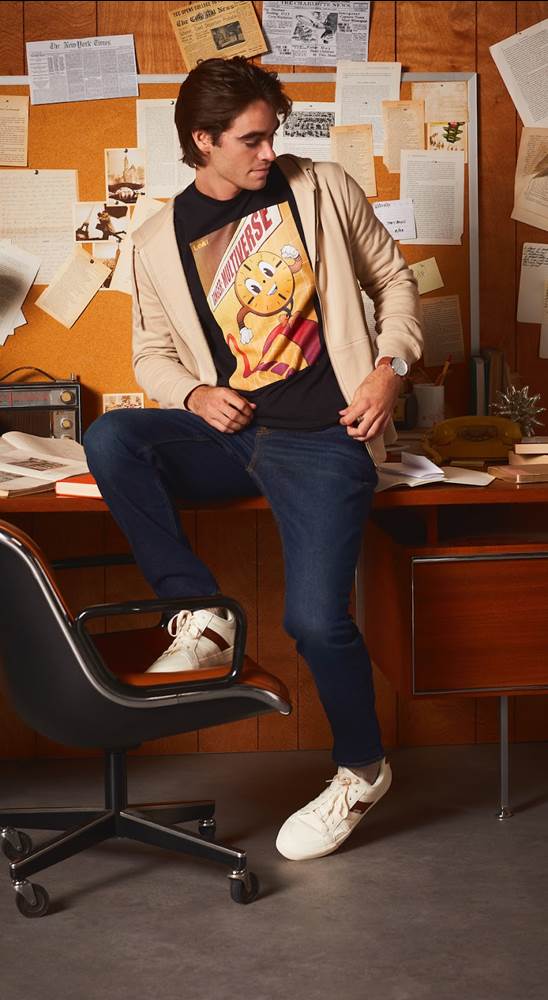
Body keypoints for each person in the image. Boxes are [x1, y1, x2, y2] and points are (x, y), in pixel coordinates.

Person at [84, 57, 423, 862]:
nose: (270, 151)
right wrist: (196, 394)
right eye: (251, 139)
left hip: (324, 438)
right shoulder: (155, 239)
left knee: (314, 620)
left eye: (273, 134)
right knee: (112, 438)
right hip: (228, 433)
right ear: (203, 140)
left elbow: (395, 281)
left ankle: (362, 771)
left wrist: (389, 368)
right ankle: (201, 613)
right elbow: (150, 353)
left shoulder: (322, 188)